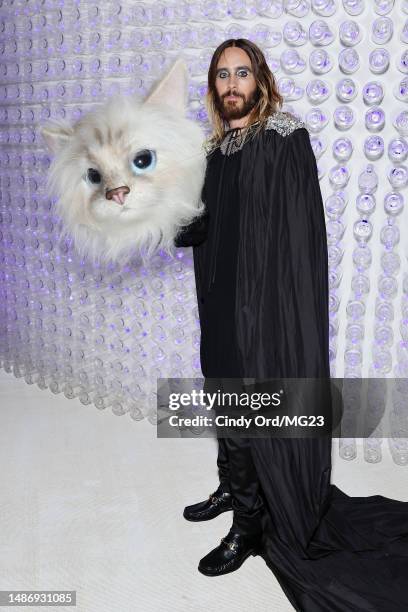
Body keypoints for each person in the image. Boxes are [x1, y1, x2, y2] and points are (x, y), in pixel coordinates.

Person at [175, 39, 408, 611]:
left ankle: (251, 528)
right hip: (219, 306)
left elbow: (301, 239)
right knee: (223, 398)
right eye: (223, 75)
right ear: (214, 87)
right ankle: (234, 487)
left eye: (243, 73)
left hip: (265, 312)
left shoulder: (284, 137)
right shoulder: (212, 150)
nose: (233, 84)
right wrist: (158, 215)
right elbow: (198, 228)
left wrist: (279, 318)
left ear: (260, 80)